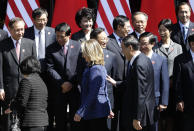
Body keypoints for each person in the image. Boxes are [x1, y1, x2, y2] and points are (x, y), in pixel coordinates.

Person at [107, 35, 155, 131]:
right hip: (142, 112)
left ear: (130, 48)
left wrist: (137, 118)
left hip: (139, 115)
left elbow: (140, 93)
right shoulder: (143, 58)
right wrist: (116, 83)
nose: (122, 52)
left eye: (123, 48)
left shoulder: (139, 64)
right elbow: (133, 83)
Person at [0, 17, 37, 131]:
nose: (21, 32)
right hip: (9, 90)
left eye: (22, 29)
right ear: (10, 30)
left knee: (26, 121)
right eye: (17, 30)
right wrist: (0, 87)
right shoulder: (2, 45)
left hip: (27, 90)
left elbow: (34, 67)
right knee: (9, 123)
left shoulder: (30, 43)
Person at [23, 7, 56, 131]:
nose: (42, 22)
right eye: (39, 20)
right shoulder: (26, 33)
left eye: (44, 19)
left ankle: (49, 125)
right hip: (32, 74)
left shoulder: (53, 32)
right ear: (33, 20)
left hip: (49, 72)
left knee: (50, 100)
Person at [46, 22, 82, 131]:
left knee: (75, 119)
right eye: (57, 36)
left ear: (69, 35)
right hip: (59, 89)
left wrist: (71, 83)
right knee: (60, 119)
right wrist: (62, 83)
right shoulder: (51, 48)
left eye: (62, 36)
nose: (59, 39)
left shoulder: (78, 45)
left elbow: (80, 67)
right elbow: (50, 68)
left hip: (75, 88)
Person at [74, 39, 113, 131]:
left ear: (90, 53)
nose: (83, 56)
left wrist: (80, 112)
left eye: (84, 53)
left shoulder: (96, 69)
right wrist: (109, 108)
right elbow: (104, 90)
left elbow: (93, 93)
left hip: (95, 111)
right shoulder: (96, 67)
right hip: (95, 111)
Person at [153, 19, 182, 131]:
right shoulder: (155, 48)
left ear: (170, 31)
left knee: (171, 117)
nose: (161, 32)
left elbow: (181, 68)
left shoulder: (178, 47)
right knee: (160, 117)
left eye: (164, 30)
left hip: (173, 87)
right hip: (159, 88)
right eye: (160, 30)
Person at [5, 56, 48, 131]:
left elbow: (22, 102)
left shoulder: (27, 81)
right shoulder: (42, 82)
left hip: (30, 123)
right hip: (43, 122)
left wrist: (12, 106)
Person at [139, 32, 169, 131]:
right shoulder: (136, 59)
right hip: (138, 101)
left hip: (154, 102)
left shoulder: (161, 59)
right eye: (140, 43)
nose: (142, 46)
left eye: (145, 43)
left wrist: (163, 102)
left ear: (152, 44)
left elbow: (165, 82)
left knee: (153, 127)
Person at [106, 15, 131, 131]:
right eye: (127, 26)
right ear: (119, 27)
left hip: (127, 86)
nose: (130, 29)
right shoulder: (107, 41)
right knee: (113, 119)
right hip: (112, 86)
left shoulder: (130, 40)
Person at [90, 27, 116, 130]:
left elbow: (114, 77)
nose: (105, 41)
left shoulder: (112, 56)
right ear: (94, 41)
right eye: (102, 39)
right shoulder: (84, 55)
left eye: (106, 39)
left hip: (106, 99)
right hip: (90, 98)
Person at [173, 33, 194, 131]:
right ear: (191, 44)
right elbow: (177, 82)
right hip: (187, 101)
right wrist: (179, 99)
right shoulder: (180, 59)